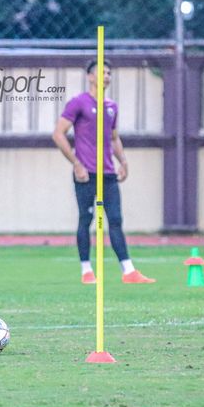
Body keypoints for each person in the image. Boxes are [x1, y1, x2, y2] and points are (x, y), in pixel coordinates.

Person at [52, 59, 155, 285]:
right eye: (102, 72)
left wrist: (123, 161)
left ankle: (129, 271)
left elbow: (114, 137)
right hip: (86, 173)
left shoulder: (111, 106)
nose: (107, 76)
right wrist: (76, 163)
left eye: (109, 73)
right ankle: (86, 270)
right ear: (90, 76)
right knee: (86, 219)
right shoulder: (78, 103)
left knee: (115, 219)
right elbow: (59, 134)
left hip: (107, 173)